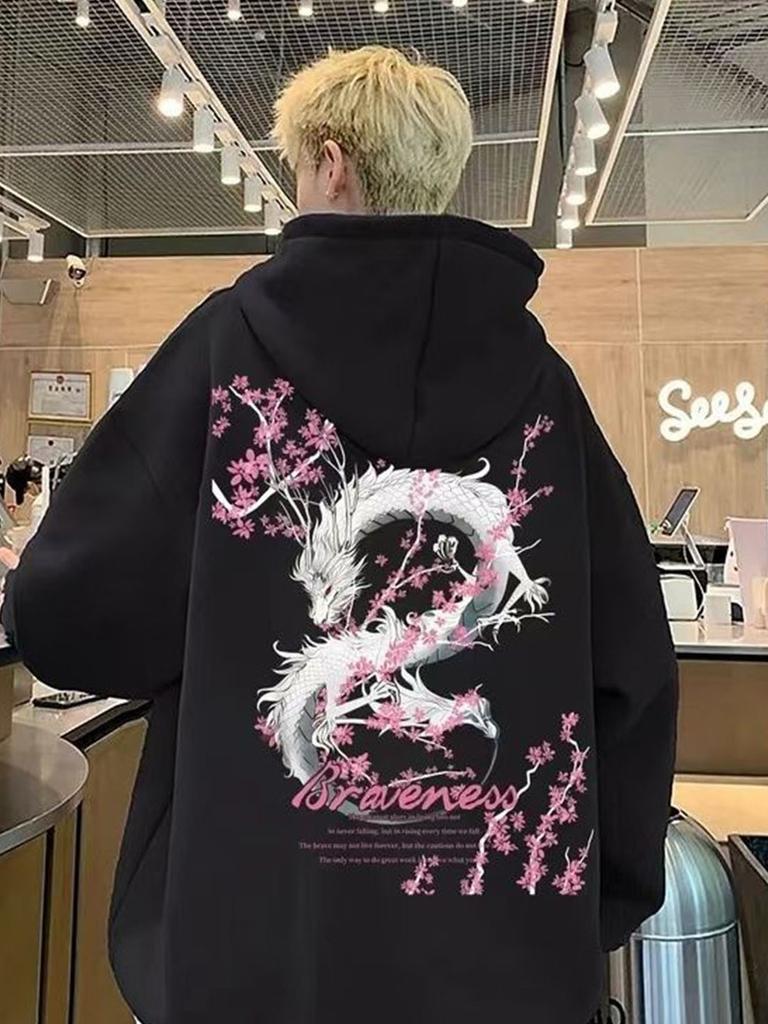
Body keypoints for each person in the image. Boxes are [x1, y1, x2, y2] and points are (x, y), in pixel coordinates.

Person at [0, 46, 678, 1024]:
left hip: (258, 946)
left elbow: (66, 616)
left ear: (330, 162)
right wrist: (595, 899)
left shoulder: (225, 354)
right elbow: (633, 671)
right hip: (504, 956)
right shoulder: (548, 396)